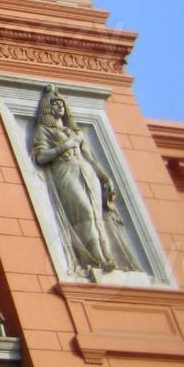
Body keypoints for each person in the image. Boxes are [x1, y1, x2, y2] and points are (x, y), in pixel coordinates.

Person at [28, 85, 141, 277]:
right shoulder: (43, 130)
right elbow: (40, 157)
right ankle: (93, 257)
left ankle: (107, 258)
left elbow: (89, 157)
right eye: (55, 104)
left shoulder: (73, 131)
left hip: (85, 170)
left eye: (61, 104)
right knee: (84, 211)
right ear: (48, 108)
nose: (60, 107)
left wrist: (104, 176)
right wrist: (65, 146)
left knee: (97, 215)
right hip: (65, 170)